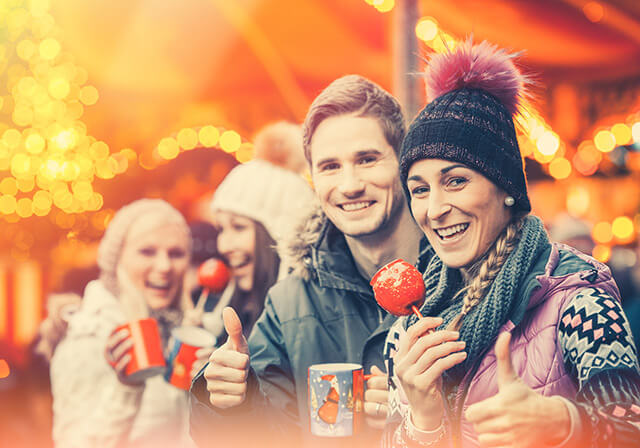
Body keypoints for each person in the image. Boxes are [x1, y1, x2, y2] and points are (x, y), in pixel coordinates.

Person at [383, 39, 640, 448]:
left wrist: (566, 424)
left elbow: (630, 430)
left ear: (505, 187)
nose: (434, 209)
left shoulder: (579, 302)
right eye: (419, 189)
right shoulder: (411, 330)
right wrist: (424, 422)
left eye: (456, 181)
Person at [189, 75, 426, 448]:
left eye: (366, 159)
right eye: (330, 167)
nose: (349, 185)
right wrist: (228, 400)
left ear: (403, 161)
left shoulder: (461, 273)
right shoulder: (290, 303)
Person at [50, 199, 205, 448]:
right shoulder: (87, 335)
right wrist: (126, 390)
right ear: (117, 259)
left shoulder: (180, 328)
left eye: (176, 254)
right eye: (147, 251)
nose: (165, 266)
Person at [182, 122, 316, 342]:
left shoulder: (308, 322)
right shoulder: (229, 312)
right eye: (221, 229)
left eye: (239, 227)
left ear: (282, 234)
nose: (223, 245)